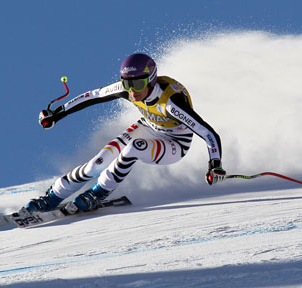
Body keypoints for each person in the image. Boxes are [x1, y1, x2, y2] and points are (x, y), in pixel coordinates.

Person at [24, 53, 225, 214]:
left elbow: (208, 133)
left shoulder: (171, 103)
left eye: (137, 85)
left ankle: (99, 193)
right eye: (127, 84)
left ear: (151, 80)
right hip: (148, 126)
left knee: (133, 148)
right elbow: (93, 96)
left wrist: (214, 164)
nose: (133, 91)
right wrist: (57, 114)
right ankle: (53, 196)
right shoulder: (128, 88)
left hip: (175, 142)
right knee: (98, 163)